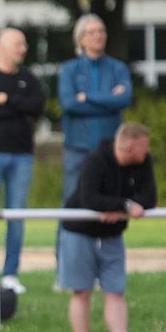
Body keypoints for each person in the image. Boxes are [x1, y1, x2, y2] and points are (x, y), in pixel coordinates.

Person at [58, 122, 156, 332]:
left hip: (112, 235)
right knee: (81, 291)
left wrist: (117, 207)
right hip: (79, 232)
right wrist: (123, 205)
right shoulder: (95, 160)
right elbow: (89, 198)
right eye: (143, 146)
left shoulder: (143, 162)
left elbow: (149, 198)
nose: (147, 151)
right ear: (131, 146)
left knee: (115, 290)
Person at [0, 28, 45, 295]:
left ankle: (11, 273)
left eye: (24, 44)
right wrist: (18, 105)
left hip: (22, 154)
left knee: (17, 215)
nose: (23, 49)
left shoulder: (29, 78)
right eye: (18, 44)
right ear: (2, 47)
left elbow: (37, 108)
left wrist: (8, 100)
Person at [57, 14, 132, 204]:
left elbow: (123, 100)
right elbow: (69, 104)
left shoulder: (118, 68)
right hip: (77, 149)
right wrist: (108, 101)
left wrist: (88, 97)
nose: (98, 35)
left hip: (109, 150)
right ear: (81, 39)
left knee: (111, 202)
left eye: (101, 31)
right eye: (92, 32)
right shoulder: (69, 70)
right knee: (71, 202)